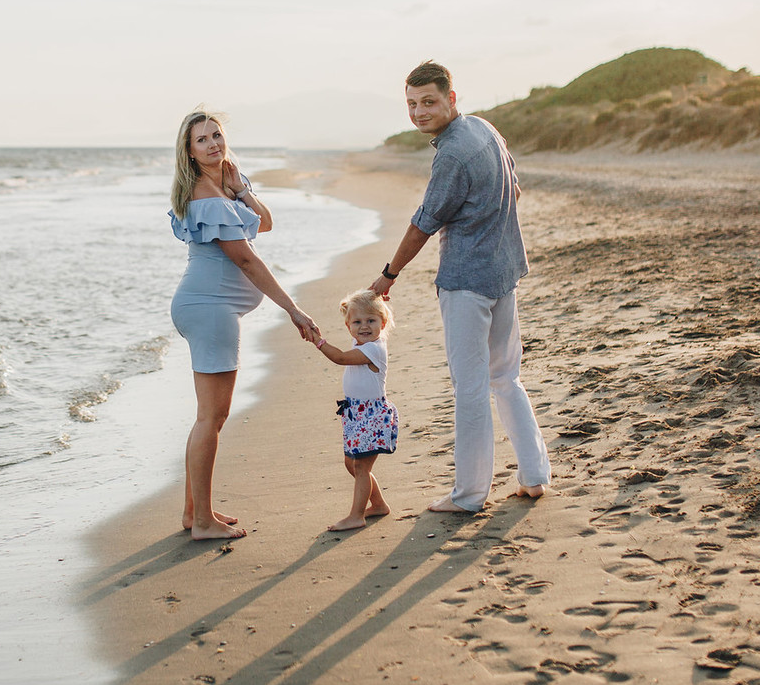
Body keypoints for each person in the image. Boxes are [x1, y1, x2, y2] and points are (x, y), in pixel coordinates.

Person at [370, 61, 551, 512]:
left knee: (470, 388)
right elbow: (516, 189)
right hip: (504, 271)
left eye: (428, 102)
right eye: (412, 104)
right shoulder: (483, 129)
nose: (419, 112)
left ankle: (469, 496)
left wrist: (388, 275)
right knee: (506, 378)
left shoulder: (452, 153)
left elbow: (423, 224)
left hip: (468, 283)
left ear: (451, 98)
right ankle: (534, 475)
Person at [169, 109, 321, 540]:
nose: (213, 144)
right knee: (211, 418)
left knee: (208, 418)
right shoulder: (203, 194)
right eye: (202, 140)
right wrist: (294, 309)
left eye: (217, 135)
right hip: (209, 308)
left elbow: (266, 224)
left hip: (207, 307)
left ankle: (193, 512)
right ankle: (202, 522)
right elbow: (247, 260)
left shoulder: (223, 187)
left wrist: (244, 190)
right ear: (190, 151)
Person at [312, 289, 399, 532]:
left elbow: (339, 358)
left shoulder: (373, 349)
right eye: (357, 322)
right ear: (348, 326)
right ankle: (379, 504)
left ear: (383, 323)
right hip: (356, 414)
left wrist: (318, 341)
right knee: (352, 463)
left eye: (371, 321)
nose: (364, 327)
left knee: (361, 466)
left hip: (371, 416)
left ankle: (356, 515)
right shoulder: (361, 342)